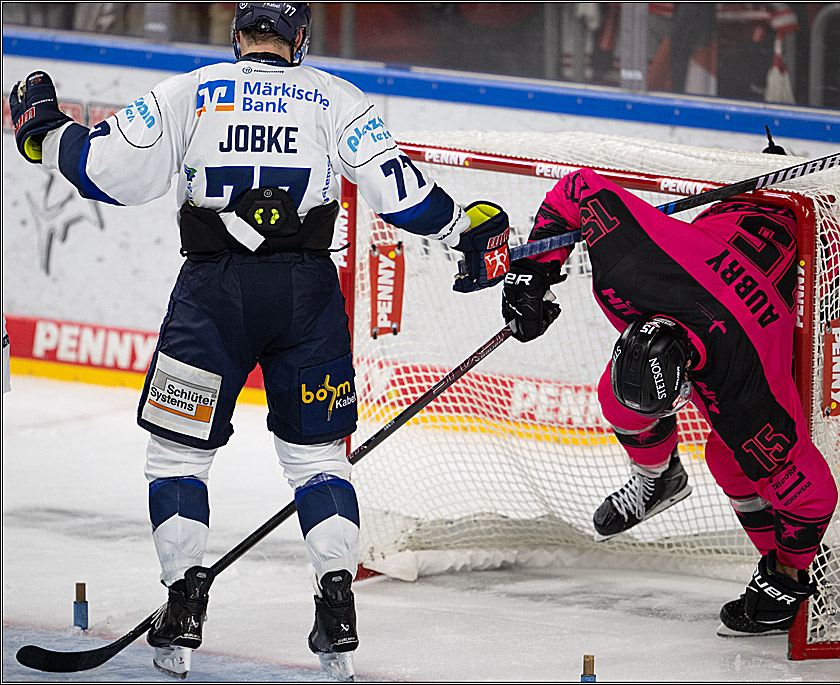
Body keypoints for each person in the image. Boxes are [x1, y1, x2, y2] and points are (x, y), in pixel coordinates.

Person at [9, 3, 508, 680]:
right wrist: (464, 227)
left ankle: (182, 612)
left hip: (213, 296)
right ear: (298, 38)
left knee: (178, 455)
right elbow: (403, 195)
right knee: (318, 459)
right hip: (307, 295)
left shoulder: (189, 91)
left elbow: (101, 170)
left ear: (238, 32)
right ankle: (336, 613)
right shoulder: (335, 97)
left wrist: (42, 130)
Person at [500, 167, 838, 637]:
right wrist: (531, 274)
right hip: (732, 221)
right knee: (616, 403)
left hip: (809, 263)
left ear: (684, 392)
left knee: (732, 459)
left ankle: (796, 577)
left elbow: (815, 497)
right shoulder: (631, 266)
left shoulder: (749, 392)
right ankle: (659, 481)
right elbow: (575, 189)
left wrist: (787, 573)